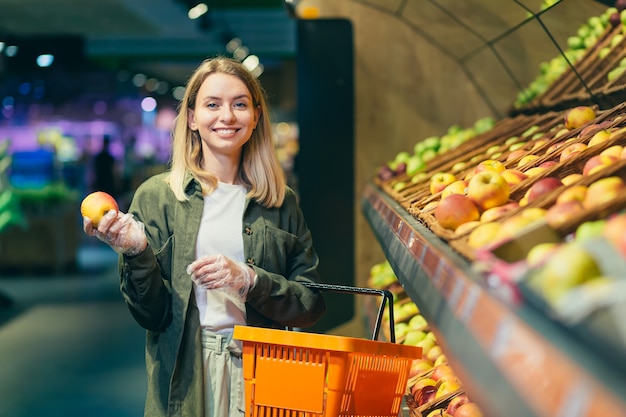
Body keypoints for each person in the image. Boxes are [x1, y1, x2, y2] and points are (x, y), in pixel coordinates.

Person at [82, 56, 326, 417]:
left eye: (239, 104)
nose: (226, 116)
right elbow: (152, 315)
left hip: (268, 372)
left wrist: (250, 280)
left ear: (256, 116)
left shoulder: (279, 201)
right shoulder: (159, 197)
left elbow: (311, 303)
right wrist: (137, 253)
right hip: (187, 371)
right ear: (193, 118)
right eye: (212, 104)